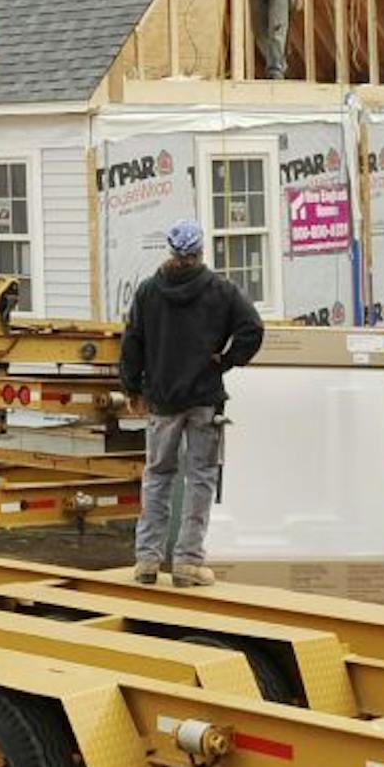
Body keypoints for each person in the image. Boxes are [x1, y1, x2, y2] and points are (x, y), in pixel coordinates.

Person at [121, 218, 264, 587]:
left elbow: (132, 341)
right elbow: (253, 328)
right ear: (201, 252)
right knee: (201, 477)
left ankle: (147, 560)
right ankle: (187, 562)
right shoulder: (221, 291)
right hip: (204, 399)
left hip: (162, 401)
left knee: (158, 476)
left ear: (170, 251)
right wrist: (226, 360)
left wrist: (132, 389)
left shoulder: (149, 291)